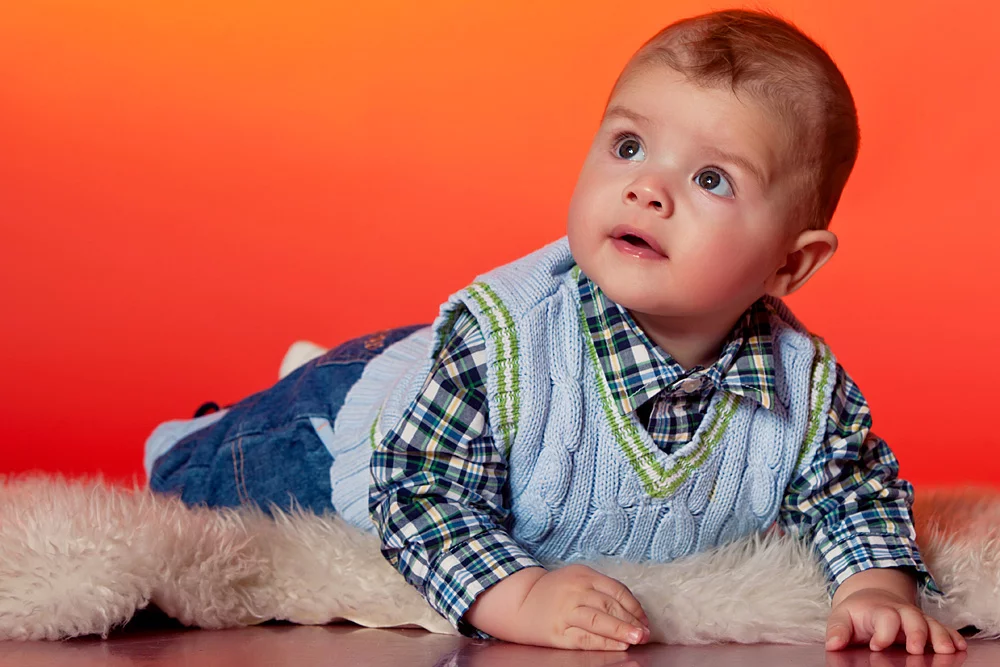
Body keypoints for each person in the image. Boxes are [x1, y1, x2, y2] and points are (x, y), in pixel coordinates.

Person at [144, 8, 967, 655]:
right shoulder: (505, 343)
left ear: (791, 262)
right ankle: (228, 418)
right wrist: (520, 594)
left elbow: (851, 490)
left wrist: (876, 583)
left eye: (712, 178)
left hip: (442, 386)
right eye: (629, 145)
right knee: (208, 472)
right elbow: (419, 494)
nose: (647, 188)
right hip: (357, 423)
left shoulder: (805, 384)